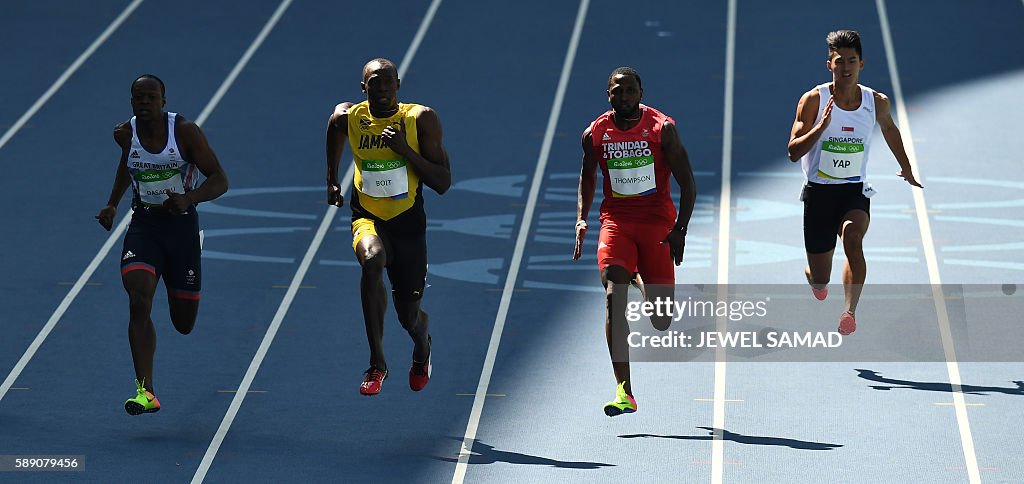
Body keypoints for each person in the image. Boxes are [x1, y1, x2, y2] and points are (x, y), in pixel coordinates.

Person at [96, 74, 229, 415]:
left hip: (181, 228)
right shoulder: (124, 134)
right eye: (138, 97)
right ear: (131, 102)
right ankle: (146, 390)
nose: (144, 102)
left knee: (183, 323)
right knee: (139, 299)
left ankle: (179, 282)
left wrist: (190, 199)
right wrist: (112, 203)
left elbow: (220, 179)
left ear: (163, 102)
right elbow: (128, 165)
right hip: (145, 225)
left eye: (151, 97)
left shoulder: (184, 132)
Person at [574, 67, 697, 416]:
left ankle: (639, 275)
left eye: (630, 91)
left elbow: (688, 183)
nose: (624, 97)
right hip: (617, 223)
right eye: (617, 92)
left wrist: (680, 230)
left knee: (661, 319)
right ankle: (624, 390)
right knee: (614, 296)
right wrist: (582, 218)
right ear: (608, 94)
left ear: (641, 92)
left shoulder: (662, 130)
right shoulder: (595, 134)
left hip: (658, 225)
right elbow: (587, 176)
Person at [325, 58, 451, 396]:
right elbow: (334, 131)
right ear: (362, 87)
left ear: (399, 84)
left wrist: (404, 150)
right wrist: (332, 179)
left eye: (387, 82)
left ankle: (422, 345)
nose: (381, 89)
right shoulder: (350, 117)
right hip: (368, 215)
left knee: (409, 317)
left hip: (408, 225)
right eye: (374, 83)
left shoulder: (420, 119)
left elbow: (442, 182)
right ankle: (377, 364)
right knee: (372, 261)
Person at [787, 30, 922, 336]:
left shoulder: (876, 102)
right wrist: (820, 127)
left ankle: (849, 311)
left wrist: (906, 167)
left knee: (853, 238)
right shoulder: (813, 100)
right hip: (819, 193)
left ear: (862, 64)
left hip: (853, 190)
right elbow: (794, 152)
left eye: (851, 61)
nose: (845, 68)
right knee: (821, 277)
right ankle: (815, 277)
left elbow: (890, 130)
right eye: (839, 62)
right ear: (829, 65)